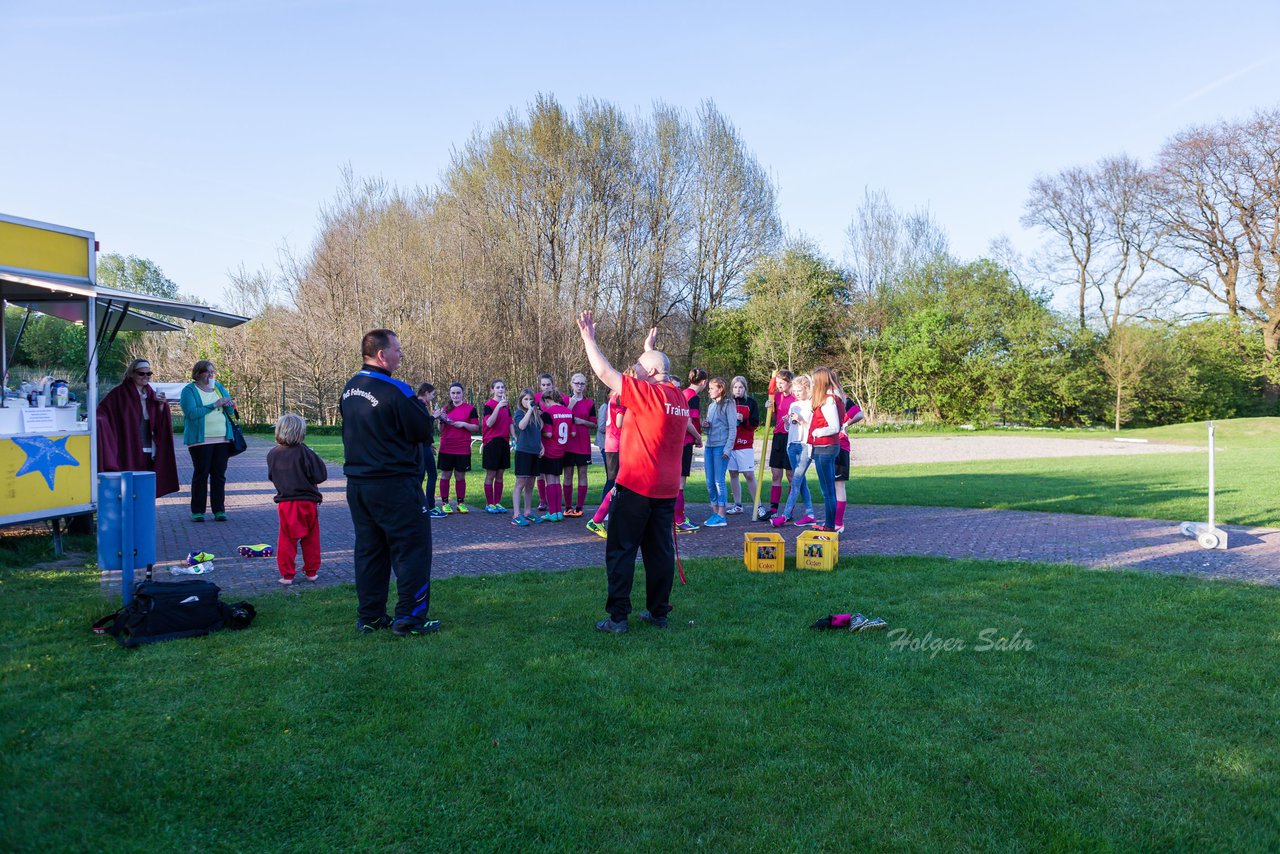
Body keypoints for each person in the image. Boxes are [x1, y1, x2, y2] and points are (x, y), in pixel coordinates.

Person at [577, 314, 689, 634]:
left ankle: (617, 617)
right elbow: (659, 370)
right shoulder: (678, 397)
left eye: (639, 366)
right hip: (666, 489)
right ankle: (658, 612)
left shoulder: (646, 393)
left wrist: (589, 340)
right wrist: (648, 350)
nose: (634, 370)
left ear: (649, 373)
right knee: (659, 552)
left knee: (621, 550)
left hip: (637, 484)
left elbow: (604, 372)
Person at [340, 328, 439, 636]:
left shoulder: (350, 388)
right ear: (381, 355)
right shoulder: (397, 390)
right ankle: (409, 618)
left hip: (359, 485)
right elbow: (423, 430)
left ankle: (369, 616)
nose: (401, 354)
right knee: (412, 550)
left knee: (370, 551)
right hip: (394, 485)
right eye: (397, 349)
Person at [96, 358, 179, 497]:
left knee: (145, 482)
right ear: (131, 374)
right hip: (128, 445)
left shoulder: (151, 393)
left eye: (149, 373)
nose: (146, 377)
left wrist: (161, 406)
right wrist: (99, 421)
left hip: (148, 446)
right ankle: (129, 513)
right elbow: (102, 412)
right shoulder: (119, 393)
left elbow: (157, 421)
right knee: (129, 482)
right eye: (142, 373)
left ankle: (144, 512)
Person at [266, 413, 328, 585]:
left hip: (286, 502)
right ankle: (311, 571)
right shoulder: (305, 452)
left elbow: (272, 476)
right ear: (301, 432)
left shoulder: (273, 454)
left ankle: (287, 575)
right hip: (308, 501)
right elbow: (320, 476)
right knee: (311, 538)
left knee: (287, 539)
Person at [179, 360, 237, 522]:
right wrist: (214, 404)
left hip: (222, 438)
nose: (211, 375)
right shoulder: (189, 391)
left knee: (219, 475)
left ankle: (219, 510)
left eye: (213, 372)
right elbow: (191, 413)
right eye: (207, 372)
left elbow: (230, 411)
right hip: (200, 440)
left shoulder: (218, 387)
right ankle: (198, 511)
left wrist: (229, 404)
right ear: (198, 374)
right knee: (201, 474)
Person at [585, 370, 631, 538]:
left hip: (615, 445)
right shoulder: (620, 398)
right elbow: (619, 423)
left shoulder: (616, 398)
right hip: (616, 445)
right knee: (616, 484)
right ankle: (598, 519)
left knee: (619, 484)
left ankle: (606, 518)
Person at [772, 374, 817, 527]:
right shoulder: (793, 405)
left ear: (807, 389)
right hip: (792, 445)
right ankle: (810, 514)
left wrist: (801, 420)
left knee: (796, 480)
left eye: (800, 390)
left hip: (805, 445)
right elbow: (789, 428)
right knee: (801, 481)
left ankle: (785, 515)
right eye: (795, 390)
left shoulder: (812, 405)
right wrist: (787, 423)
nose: (797, 393)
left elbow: (812, 428)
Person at [807, 367, 846, 533]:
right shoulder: (834, 397)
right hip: (825, 447)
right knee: (828, 490)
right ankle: (829, 523)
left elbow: (834, 426)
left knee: (828, 491)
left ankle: (830, 526)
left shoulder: (829, 400)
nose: (813, 383)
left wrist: (817, 432)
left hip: (825, 447)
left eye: (814, 380)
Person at [437, 382, 479, 514]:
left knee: (460, 476)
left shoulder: (470, 408)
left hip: (462, 448)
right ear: (450, 394)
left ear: (462, 394)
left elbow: (476, 427)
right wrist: (440, 421)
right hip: (446, 447)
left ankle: (461, 503)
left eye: (458, 393)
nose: (455, 395)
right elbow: (440, 430)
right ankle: (445, 503)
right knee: (445, 475)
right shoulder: (444, 409)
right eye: (453, 393)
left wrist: (464, 424)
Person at [674, 368, 708, 532]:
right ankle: (679, 520)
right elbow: (687, 422)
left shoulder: (682, 393)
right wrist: (698, 437)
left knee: (673, 482)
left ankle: (675, 518)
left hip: (675, 442)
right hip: (684, 442)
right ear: (703, 382)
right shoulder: (693, 397)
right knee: (680, 483)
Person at [700, 377, 737, 528]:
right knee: (709, 482)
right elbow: (709, 429)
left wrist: (728, 449)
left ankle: (722, 514)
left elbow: (733, 428)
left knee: (718, 480)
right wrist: (705, 426)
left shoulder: (728, 404)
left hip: (721, 447)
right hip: (709, 446)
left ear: (720, 389)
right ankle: (715, 511)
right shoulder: (711, 406)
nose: (709, 391)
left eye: (711, 388)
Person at [832, 376, 866, 534]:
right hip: (825, 447)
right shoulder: (822, 398)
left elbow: (859, 414)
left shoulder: (844, 399)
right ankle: (831, 519)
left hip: (840, 446)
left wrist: (845, 424)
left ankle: (838, 523)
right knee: (829, 485)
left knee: (838, 483)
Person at [561, 373, 596, 517]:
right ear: (571, 384)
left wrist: (582, 421)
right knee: (568, 474)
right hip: (568, 443)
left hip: (583, 444)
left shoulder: (589, 403)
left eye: (582, 384)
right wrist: (571, 405)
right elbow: (561, 417)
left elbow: (594, 424)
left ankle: (579, 507)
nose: (579, 386)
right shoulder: (564, 400)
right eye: (577, 383)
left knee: (583, 473)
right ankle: (568, 507)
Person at [538, 387, 573, 521]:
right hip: (561, 450)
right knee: (557, 480)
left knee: (550, 481)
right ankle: (558, 512)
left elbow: (548, 433)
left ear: (547, 400)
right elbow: (572, 432)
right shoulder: (568, 412)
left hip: (549, 450)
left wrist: (540, 429)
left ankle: (552, 512)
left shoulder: (547, 413)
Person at [726, 375, 760, 515]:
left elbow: (754, 424)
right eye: (735, 387)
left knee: (749, 475)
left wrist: (743, 419)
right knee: (733, 474)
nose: (738, 390)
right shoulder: (727, 402)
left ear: (745, 388)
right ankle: (737, 504)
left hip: (745, 444)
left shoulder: (751, 403)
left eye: (740, 387)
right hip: (730, 444)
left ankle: (758, 506)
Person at [765, 369, 795, 520]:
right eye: (777, 383)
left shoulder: (796, 399)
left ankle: (789, 510)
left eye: (782, 383)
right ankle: (773, 508)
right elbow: (773, 417)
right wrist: (770, 409)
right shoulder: (775, 397)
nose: (779, 386)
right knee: (776, 474)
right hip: (778, 437)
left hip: (791, 438)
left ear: (790, 383)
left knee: (791, 475)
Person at [510, 388, 542, 527]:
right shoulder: (519, 413)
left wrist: (541, 446)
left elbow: (537, 432)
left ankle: (528, 512)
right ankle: (516, 514)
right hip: (523, 452)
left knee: (530, 484)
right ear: (521, 401)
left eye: (530, 399)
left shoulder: (536, 415)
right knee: (521, 483)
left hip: (534, 452)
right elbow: (522, 426)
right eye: (525, 399)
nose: (529, 402)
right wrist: (529, 410)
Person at [481, 380, 513, 513]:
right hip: (491, 442)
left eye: (502, 387)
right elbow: (489, 423)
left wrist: (514, 436)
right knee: (491, 474)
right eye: (498, 387)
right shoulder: (489, 405)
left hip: (504, 442)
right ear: (492, 390)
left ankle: (497, 502)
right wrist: (498, 407)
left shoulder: (507, 405)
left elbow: (510, 422)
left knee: (500, 474)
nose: (500, 389)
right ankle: (489, 504)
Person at [416, 382, 447, 519]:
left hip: (424, 445)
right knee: (430, 475)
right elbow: (422, 425)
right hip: (421, 447)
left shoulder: (419, 405)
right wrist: (434, 417)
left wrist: (430, 444)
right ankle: (430, 506)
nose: (433, 397)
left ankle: (420, 506)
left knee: (421, 476)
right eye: (433, 394)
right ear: (426, 393)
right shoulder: (419, 405)